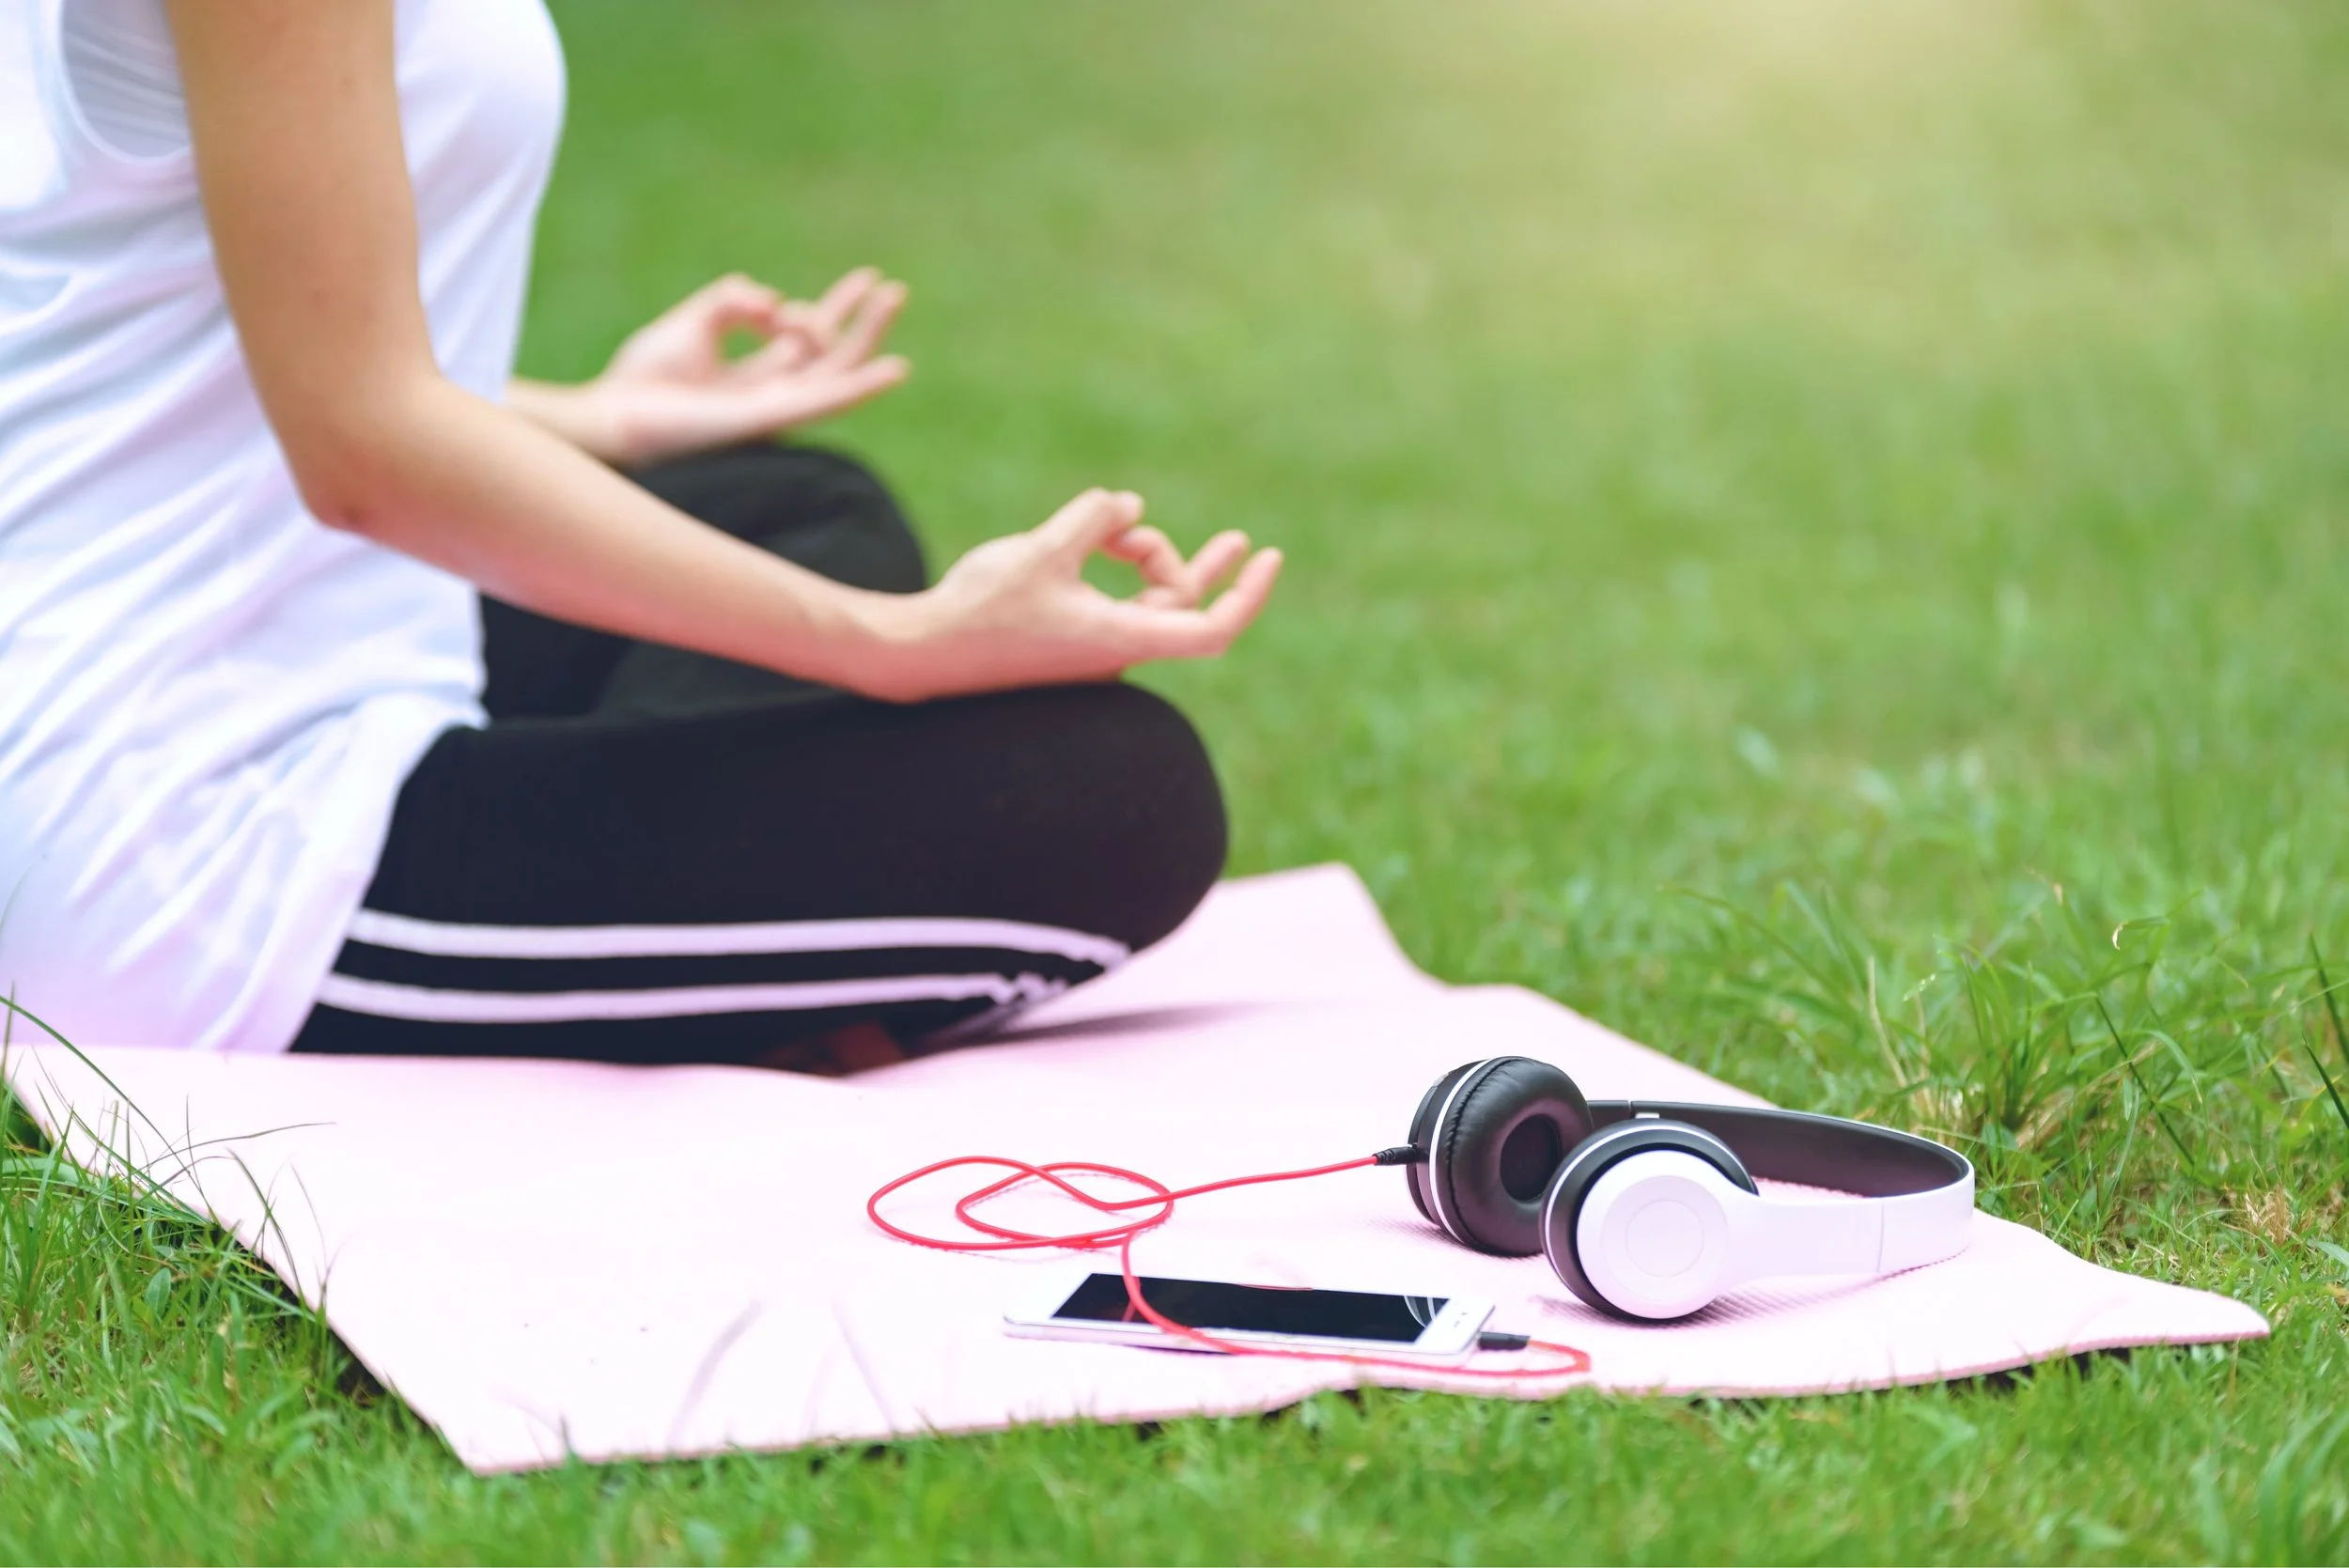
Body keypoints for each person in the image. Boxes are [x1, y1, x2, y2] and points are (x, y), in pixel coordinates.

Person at [0, 0, 1280, 1069]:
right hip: (180, 850)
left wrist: (600, 418)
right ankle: (706, 977)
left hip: (268, 628)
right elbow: (361, 450)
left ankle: (668, 931)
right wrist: (901, 644)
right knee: (1123, 797)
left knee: (802, 509)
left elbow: (173, 321)